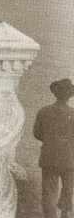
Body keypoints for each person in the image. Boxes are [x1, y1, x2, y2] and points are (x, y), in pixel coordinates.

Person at [35, 78, 74, 218]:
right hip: (68, 157)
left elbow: (37, 134)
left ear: (55, 94)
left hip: (49, 156)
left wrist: (51, 141)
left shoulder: (44, 111)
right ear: (69, 96)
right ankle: (66, 212)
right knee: (68, 188)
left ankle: (50, 215)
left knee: (49, 190)